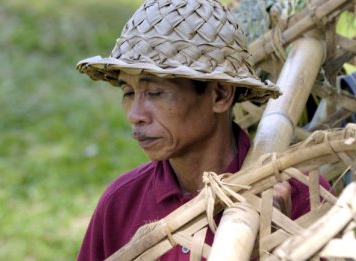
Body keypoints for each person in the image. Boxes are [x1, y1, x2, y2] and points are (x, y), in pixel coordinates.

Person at [76, 0, 331, 260]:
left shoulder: (300, 193)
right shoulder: (121, 204)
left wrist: (277, 244)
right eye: (128, 92)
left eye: (155, 92)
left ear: (220, 94)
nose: (135, 114)